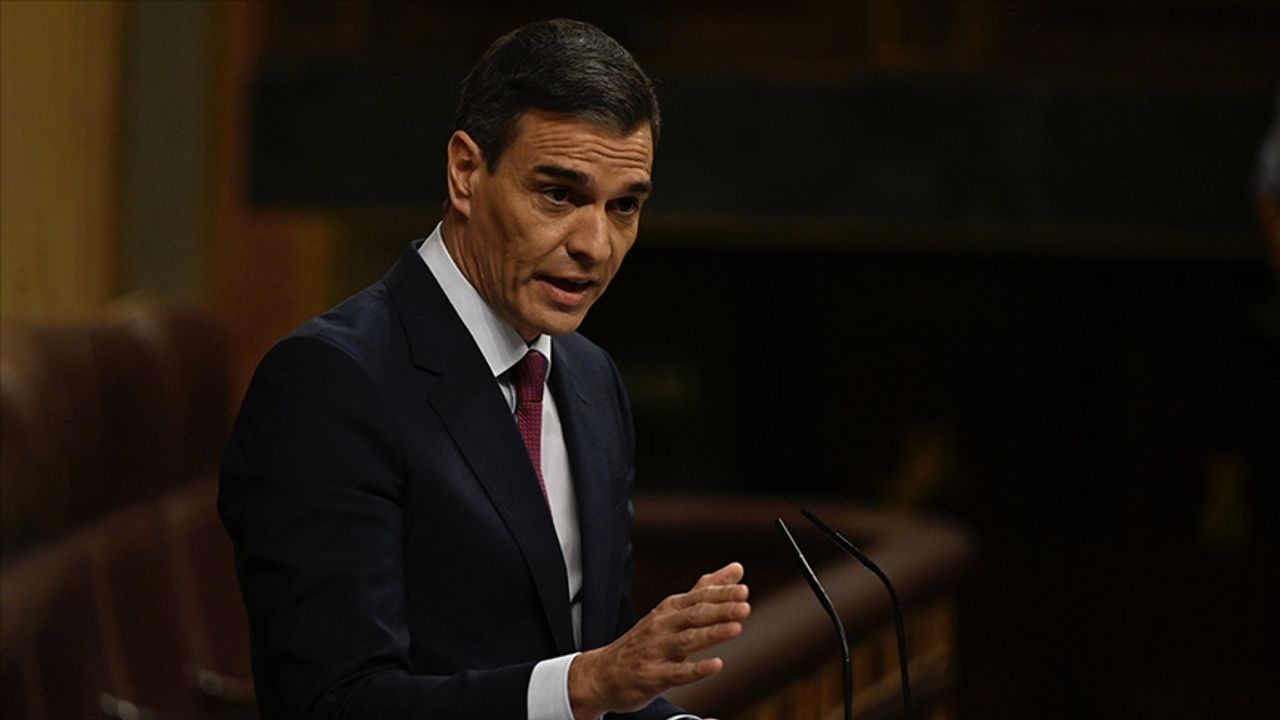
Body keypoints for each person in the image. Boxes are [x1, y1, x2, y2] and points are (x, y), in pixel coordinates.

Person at [218, 18, 750, 720]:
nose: (596, 245)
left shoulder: (591, 380)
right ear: (466, 173)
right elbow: (335, 703)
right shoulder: (328, 384)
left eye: (624, 206)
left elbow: (604, 667)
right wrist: (587, 684)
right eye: (558, 195)